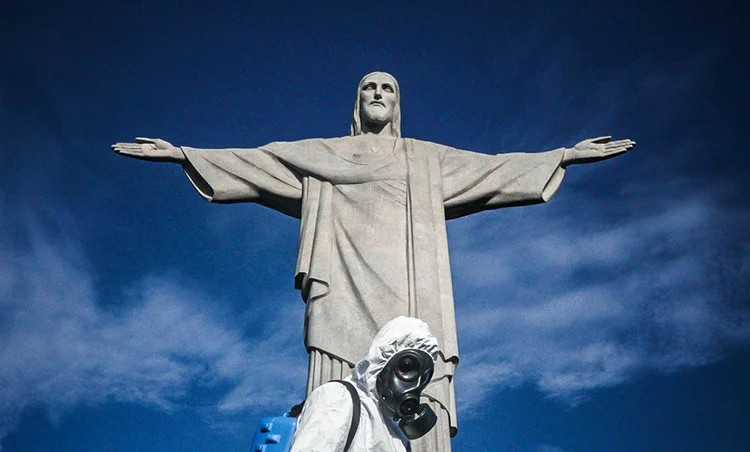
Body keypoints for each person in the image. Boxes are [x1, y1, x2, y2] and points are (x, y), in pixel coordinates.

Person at [112, 71, 635, 451]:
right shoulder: (321, 155)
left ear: (398, 102)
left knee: (412, 371)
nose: (378, 94)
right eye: (369, 87)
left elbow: (492, 171)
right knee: (337, 395)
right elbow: (259, 161)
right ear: (356, 102)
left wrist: (562, 156)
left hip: (410, 287)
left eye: (388, 88)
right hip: (342, 283)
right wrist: (184, 154)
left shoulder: (424, 159)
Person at [290, 316, 439, 452]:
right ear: (385, 360)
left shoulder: (398, 436)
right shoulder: (338, 397)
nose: (414, 385)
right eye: (406, 367)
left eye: (423, 378)